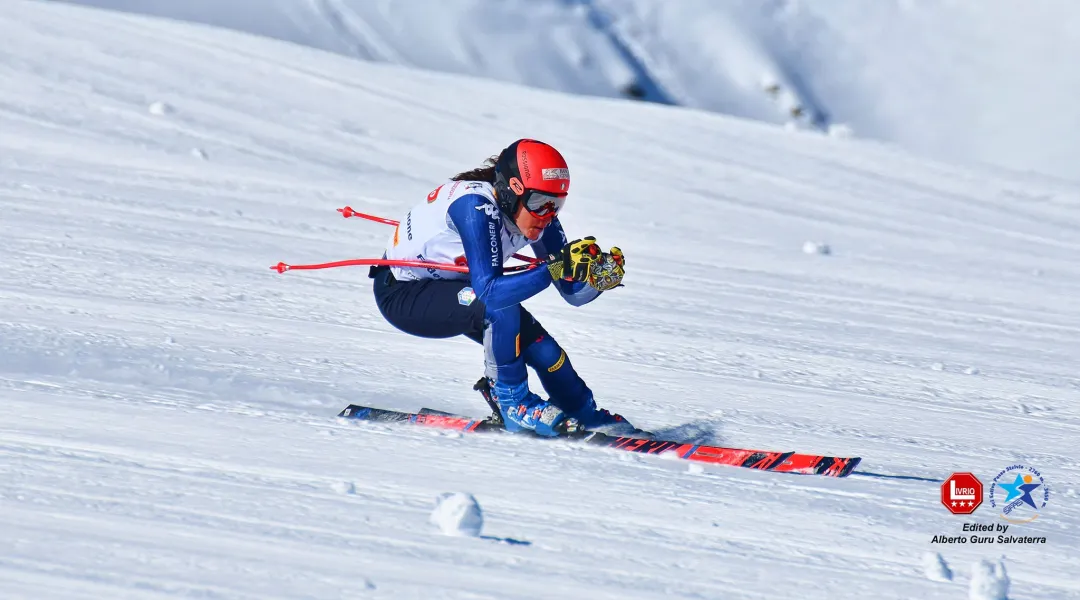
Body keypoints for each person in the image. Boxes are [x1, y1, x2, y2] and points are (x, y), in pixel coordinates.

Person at [369, 138, 638, 437]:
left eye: (557, 205)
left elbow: (571, 293)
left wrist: (595, 280)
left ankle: (581, 410)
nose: (547, 214)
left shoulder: (541, 218)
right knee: (499, 310)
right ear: (513, 190)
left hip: (455, 289)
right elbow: (490, 292)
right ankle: (513, 403)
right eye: (540, 203)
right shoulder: (475, 207)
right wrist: (556, 266)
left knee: (546, 352)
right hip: (404, 294)